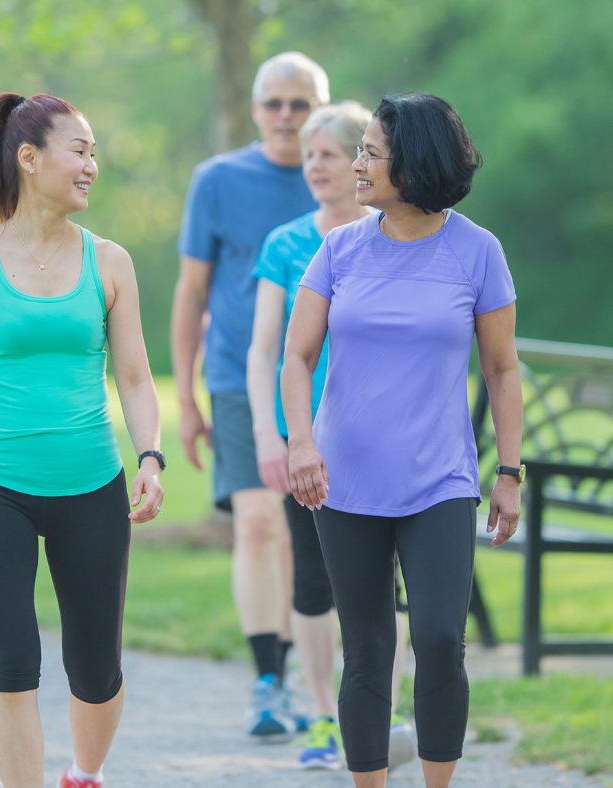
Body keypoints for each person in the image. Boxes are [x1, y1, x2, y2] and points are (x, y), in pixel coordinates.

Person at [0, 92, 164, 788]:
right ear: (29, 158)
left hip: (92, 484)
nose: (92, 165)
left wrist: (151, 457)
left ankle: (83, 773)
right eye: (79, 150)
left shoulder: (110, 262)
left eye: (93, 152)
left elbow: (138, 378)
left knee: (96, 668)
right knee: (12, 661)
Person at [281, 93, 523, 788]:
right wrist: (301, 442)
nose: (356, 165)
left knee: (442, 642)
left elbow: (502, 371)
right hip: (343, 482)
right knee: (368, 650)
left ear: (413, 165)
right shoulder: (339, 249)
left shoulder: (478, 252)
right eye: (358, 150)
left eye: (370, 152)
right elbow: (296, 357)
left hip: (440, 482)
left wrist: (509, 471)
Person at [248, 100, 415, 771]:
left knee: (386, 585)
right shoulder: (286, 244)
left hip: (383, 444)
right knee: (314, 585)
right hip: (306, 445)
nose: (313, 164)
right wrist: (271, 431)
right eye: (308, 154)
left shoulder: (399, 236)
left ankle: (386, 710)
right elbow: (263, 352)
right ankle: (322, 717)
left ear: (362, 161)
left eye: (328, 153)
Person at [172, 50, 328, 740]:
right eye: (275, 104)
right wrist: (185, 397)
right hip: (240, 374)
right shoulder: (218, 180)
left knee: (305, 529)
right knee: (260, 520)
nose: (287, 118)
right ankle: (267, 679)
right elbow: (191, 291)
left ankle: (301, 673)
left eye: (301, 104)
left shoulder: (343, 176)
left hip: (329, 380)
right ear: (258, 108)